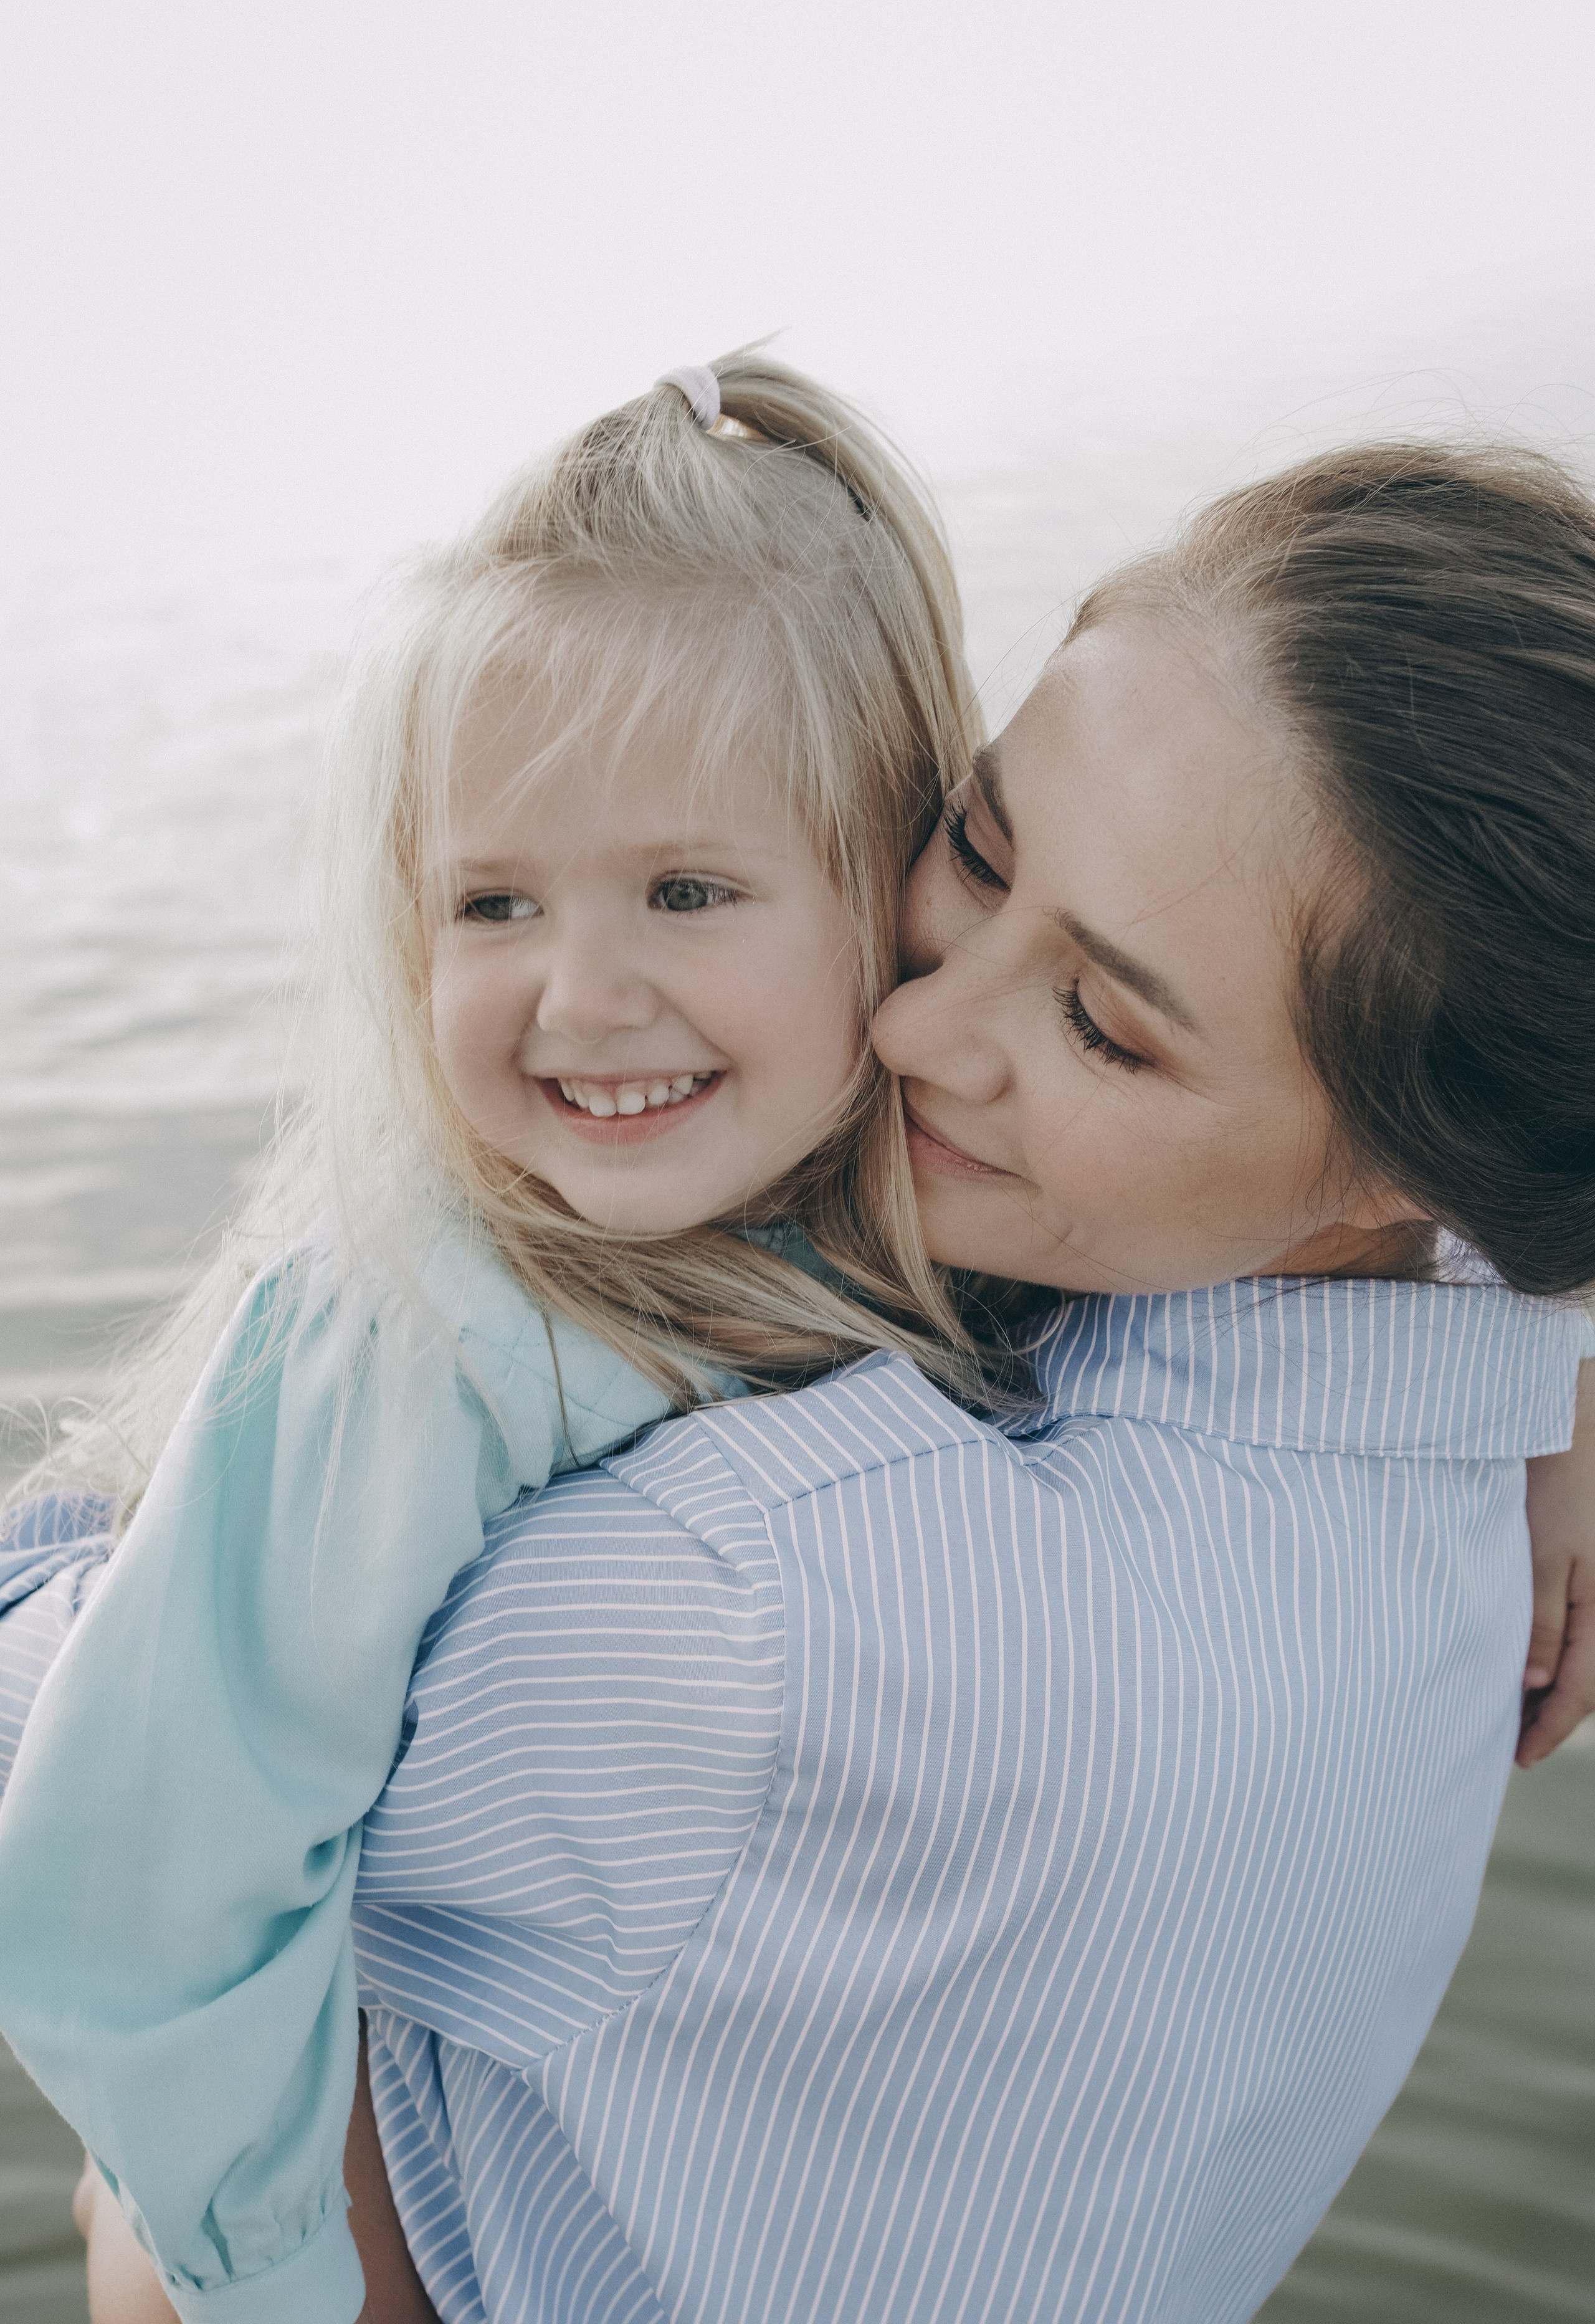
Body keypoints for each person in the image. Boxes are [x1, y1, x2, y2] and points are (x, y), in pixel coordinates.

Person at [6, 431, 1595, 2324]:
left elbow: (108, 1797)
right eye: (975, 846)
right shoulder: (1418, 1368)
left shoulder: (743, 1607)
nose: (913, 1024)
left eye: (1101, 1026)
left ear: (1412, 1161)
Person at [0, 352, 1016, 2324]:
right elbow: (142, 1875)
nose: (581, 995)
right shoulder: (425, 1334)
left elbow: (1276, 1085)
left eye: (687, 890)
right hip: (268, 2200)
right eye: (492, 904)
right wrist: (271, 2283)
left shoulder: (934, 1190)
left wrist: (1536, 1378)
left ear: (893, 886)